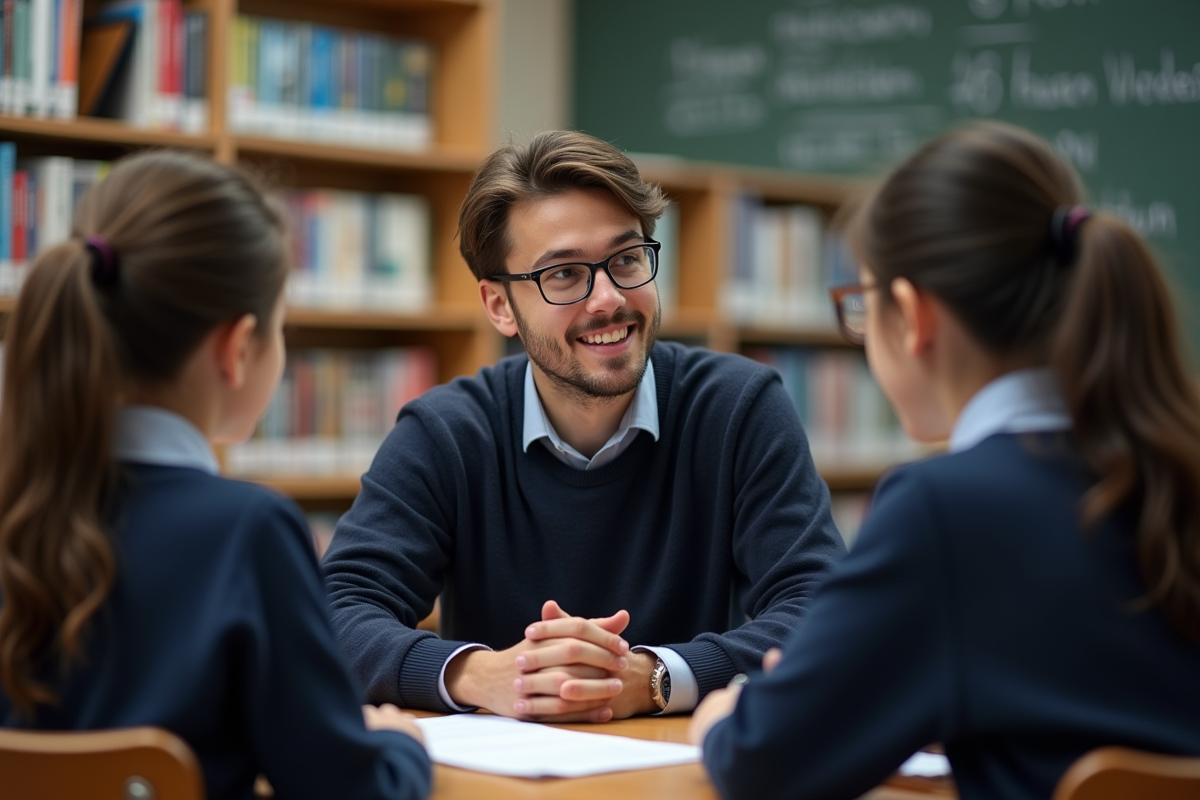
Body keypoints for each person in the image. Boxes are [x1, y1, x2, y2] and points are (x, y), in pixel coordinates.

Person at [688, 121, 1200, 800]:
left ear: (911, 313)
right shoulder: (1168, 464)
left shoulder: (944, 508)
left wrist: (732, 711)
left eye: (861, 307)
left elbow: (763, 761)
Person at [322, 130, 845, 722]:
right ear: (499, 306)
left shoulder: (738, 407)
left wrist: (655, 676)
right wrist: (485, 674)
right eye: (564, 275)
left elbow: (823, 606)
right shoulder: (445, 431)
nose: (608, 299)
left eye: (626, 260)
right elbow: (337, 610)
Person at [0, 152, 431, 800]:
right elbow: (348, 789)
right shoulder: (248, 531)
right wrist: (401, 746)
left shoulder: (19, 504)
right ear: (237, 349)